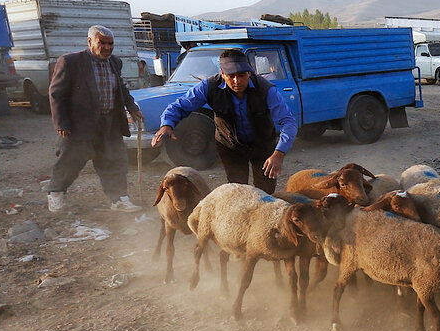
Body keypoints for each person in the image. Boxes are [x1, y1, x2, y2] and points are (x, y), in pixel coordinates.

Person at [152, 49, 297, 193]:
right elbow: (180, 106)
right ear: (222, 74)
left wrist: (279, 153)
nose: (237, 81)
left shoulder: (267, 89)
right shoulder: (208, 87)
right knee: (237, 189)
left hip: (263, 144)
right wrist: (167, 124)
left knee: (266, 190)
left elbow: (288, 122)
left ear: (249, 72)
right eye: (231, 76)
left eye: (242, 75)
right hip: (229, 146)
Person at [46, 25, 145, 212]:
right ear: (90, 42)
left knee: (114, 161)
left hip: (109, 122)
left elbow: (121, 89)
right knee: (70, 161)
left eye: (111, 44)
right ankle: (56, 193)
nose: (107, 48)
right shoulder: (70, 62)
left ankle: (118, 199)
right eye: (102, 43)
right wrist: (61, 122)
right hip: (79, 125)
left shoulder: (115, 62)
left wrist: (132, 108)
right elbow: (56, 93)